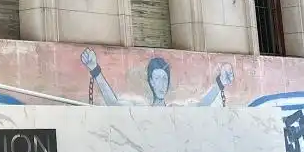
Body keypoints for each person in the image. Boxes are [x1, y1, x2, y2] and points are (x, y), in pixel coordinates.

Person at [80, 48, 234, 106]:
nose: (162, 84)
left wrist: (220, 83)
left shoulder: (175, 110)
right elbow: (113, 102)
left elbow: (201, 106)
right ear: (151, 82)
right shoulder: (139, 109)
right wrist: (95, 69)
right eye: (158, 79)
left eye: (165, 79)